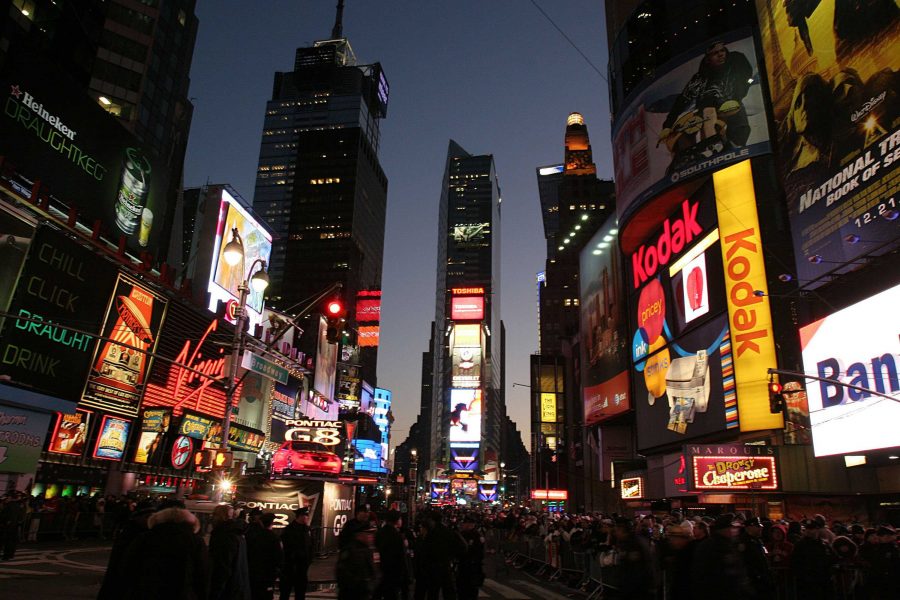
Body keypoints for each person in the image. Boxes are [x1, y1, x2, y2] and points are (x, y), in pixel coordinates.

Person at [658, 40, 754, 174]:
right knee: (688, 132)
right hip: (706, 114)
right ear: (708, 58)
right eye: (715, 53)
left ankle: (726, 151)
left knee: (739, 133)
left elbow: (746, 77)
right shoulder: (700, 78)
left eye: (722, 51)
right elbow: (682, 101)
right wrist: (667, 125)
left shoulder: (736, 63)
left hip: (730, 108)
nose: (721, 55)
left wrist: (736, 97)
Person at [121, 504, 209, 600]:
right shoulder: (195, 541)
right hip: (182, 592)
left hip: (147, 591)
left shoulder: (146, 538)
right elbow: (202, 572)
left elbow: (129, 566)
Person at [690, 514, 754, 600]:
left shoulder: (731, 544)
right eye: (733, 527)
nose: (736, 530)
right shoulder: (710, 546)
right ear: (724, 528)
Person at [209, 504, 251, 600]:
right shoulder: (237, 533)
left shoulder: (223, 534)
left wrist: (215, 591)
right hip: (238, 586)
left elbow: (222, 564)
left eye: (214, 514)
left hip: (227, 589)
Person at [790, 520, 836, 600]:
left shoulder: (824, 544)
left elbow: (831, 558)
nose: (809, 531)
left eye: (812, 529)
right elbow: (795, 562)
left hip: (823, 580)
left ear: (817, 529)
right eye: (807, 529)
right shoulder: (800, 545)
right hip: (807, 582)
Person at [612, 517, 656, 600]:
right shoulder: (625, 542)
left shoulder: (636, 543)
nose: (615, 533)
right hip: (629, 586)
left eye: (617, 530)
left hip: (638, 587)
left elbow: (640, 566)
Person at [246, 513, 283, 600]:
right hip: (269, 572)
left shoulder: (254, 536)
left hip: (255, 571)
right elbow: (279, 556)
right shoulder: (274, 538)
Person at [280, 507, 314, 600]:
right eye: (306, 516)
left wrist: (309, 559)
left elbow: (310, 545)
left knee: (300, 591)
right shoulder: (289, 530)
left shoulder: (307, 529)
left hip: (302, 565)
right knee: (286, 590)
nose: (307, 518)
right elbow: (286, 547)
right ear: (300, 516)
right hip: (290, 565)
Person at [336, 526, 378, 600]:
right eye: (368, 534)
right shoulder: (351, 550)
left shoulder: (366, 549)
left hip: (363, 592)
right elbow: (342, 572)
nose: (371, 537)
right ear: (360, 535)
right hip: (352, 593)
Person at [375, 510, 409, 600]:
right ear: (397, 520)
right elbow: (401, 556)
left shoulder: (380, 533)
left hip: (382, 569)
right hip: (394, 570)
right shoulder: (397, 535)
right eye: (400, 519)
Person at [736, 517, 773, 597]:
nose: (761, 528)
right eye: (757, 526)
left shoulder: (758, 540)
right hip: (753, 581)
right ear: (749, 527)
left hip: (762, 579)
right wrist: (756, 575)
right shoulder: (744, 542)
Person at [456, 515, 485, 600]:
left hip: (470, 565)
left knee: (468, 589)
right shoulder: (463, 534)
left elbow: (478, 551)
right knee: (466, 589)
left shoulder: (474, 535)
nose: (463, 525)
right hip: (468, 564)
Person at [0, 492, 26, 560]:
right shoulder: (18, 506)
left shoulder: (9, 505)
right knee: (12, 541)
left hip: (7, 526)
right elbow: (21, 516)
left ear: (11, 497)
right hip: (15, 526)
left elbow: (4, 515)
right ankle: (10, 555)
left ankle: (6, 555)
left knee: (6, 541)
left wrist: (4, 521)